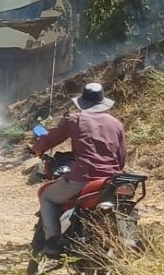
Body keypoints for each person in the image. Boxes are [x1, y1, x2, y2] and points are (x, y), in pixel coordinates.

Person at [31, 82, 126, 256]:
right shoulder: (116, 123)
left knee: (47, 197)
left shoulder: (75, 119)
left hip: (83, 177)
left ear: (83, 101)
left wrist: (38, 148)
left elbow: (51, 139)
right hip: (111, 180)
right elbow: (122, 157)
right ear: (102, 101)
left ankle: (53, 244)